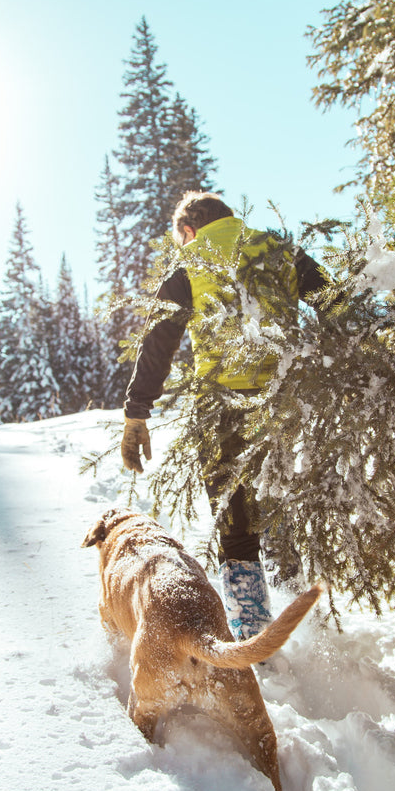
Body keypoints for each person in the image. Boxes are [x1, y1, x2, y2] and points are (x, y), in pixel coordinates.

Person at [121, 191, 329, 640]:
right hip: (283, 404)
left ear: (189, 231)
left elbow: (158, 345)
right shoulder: (278, 249)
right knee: (281, 509)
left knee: (235, 525)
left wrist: (137, 412)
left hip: (221, 410)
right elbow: (332, 299)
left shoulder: (188, 264)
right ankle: (305, 628)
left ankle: (254, 639)